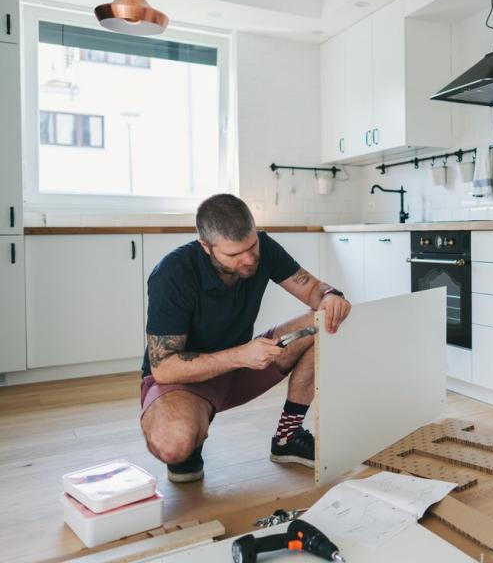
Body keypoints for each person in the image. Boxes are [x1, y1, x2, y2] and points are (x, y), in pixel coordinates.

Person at [139, 194, 351, 482]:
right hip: (184, 381)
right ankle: (193, 436)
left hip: (243, 367)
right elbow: (164, 368)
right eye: (234, 254)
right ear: (205, 246)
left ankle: (287, 437)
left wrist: (329, 296)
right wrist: (241, 355)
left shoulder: (265, 248)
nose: (250, 259)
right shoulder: (173, 274)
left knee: (325, 321)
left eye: (252, 245)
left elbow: (313, 289)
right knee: (174, 445)